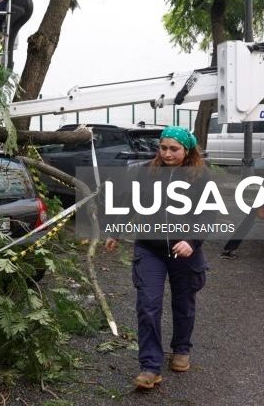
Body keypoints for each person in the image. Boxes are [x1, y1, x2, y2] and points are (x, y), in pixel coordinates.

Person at [104, 126, 210, 390]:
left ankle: (181, 348)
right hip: (150, 249)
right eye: (163, 148)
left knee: (183, 302)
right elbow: (130, 202)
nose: (167, 153)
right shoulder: (146, 172)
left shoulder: (200, 177)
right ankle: (150, 367)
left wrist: (192, 241)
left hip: (184, 251)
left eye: (174, 149)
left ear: (187, 150)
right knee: (147, 305)